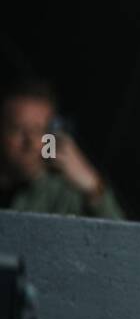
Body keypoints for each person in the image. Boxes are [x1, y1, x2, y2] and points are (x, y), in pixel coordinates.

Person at [0, 79, 125, 220]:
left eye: (40, 130)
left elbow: (120, 237)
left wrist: (93, 186)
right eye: (19, 129)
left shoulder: (62, 195)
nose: (31, 142)